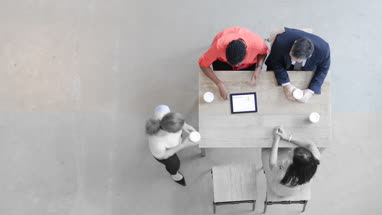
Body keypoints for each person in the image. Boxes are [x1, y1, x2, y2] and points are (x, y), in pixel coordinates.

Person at [199, 26, 269, 100]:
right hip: (223, 62)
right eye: (233, 63)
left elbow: (263, 53)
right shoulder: (218, 47)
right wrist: (219, 83)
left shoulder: (257, 44)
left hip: (248, 64)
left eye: (238, 64)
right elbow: (203, 64)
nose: (236, 67)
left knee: (247, 87)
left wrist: (259, 67)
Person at [265, 27, 331, 103]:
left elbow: (323, 69)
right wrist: (286, 84)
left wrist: (310, 91)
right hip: (282, 63)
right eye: (291, 56)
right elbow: (275, 62)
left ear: (309, 56)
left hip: (306, 69)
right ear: (294, 43)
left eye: (296, 60)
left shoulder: (324, 49)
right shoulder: (280, 41)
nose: (292, 60)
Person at [145, 105, 199, 186]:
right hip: (163, 154)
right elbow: (164, 156)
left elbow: (171, 118)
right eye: (180, 128)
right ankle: (174, 175)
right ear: (171, 132)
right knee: (174, 164)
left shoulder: (163, 110)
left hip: (172, 142)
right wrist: (184, 144)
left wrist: (186, 126)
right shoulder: (157, 143)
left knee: (178, 143)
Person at [262, 126, 320, 196]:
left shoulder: (281, 175)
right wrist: (287, 137)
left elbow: (272, 163)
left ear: (292, 170)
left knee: (265, 150)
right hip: (300, 185)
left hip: (281, 190)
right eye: (290, 153)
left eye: (286, 161)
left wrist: (276, 140)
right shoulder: (313, 159)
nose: (283, 160)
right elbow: (310, 145)